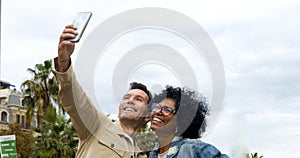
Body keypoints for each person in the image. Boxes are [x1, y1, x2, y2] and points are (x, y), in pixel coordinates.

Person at [53, 24, 152, 158]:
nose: (130, 101)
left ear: (147, 115)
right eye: (127, 97)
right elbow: (76, 100)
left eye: (138, 99)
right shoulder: (97, 126)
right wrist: (63, 63)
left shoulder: (141, 154)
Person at [148, 86, 229, 158]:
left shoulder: (193, 149)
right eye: (157, 106)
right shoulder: (153, 154)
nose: (158, 111)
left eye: (167, 110)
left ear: (180, 123)